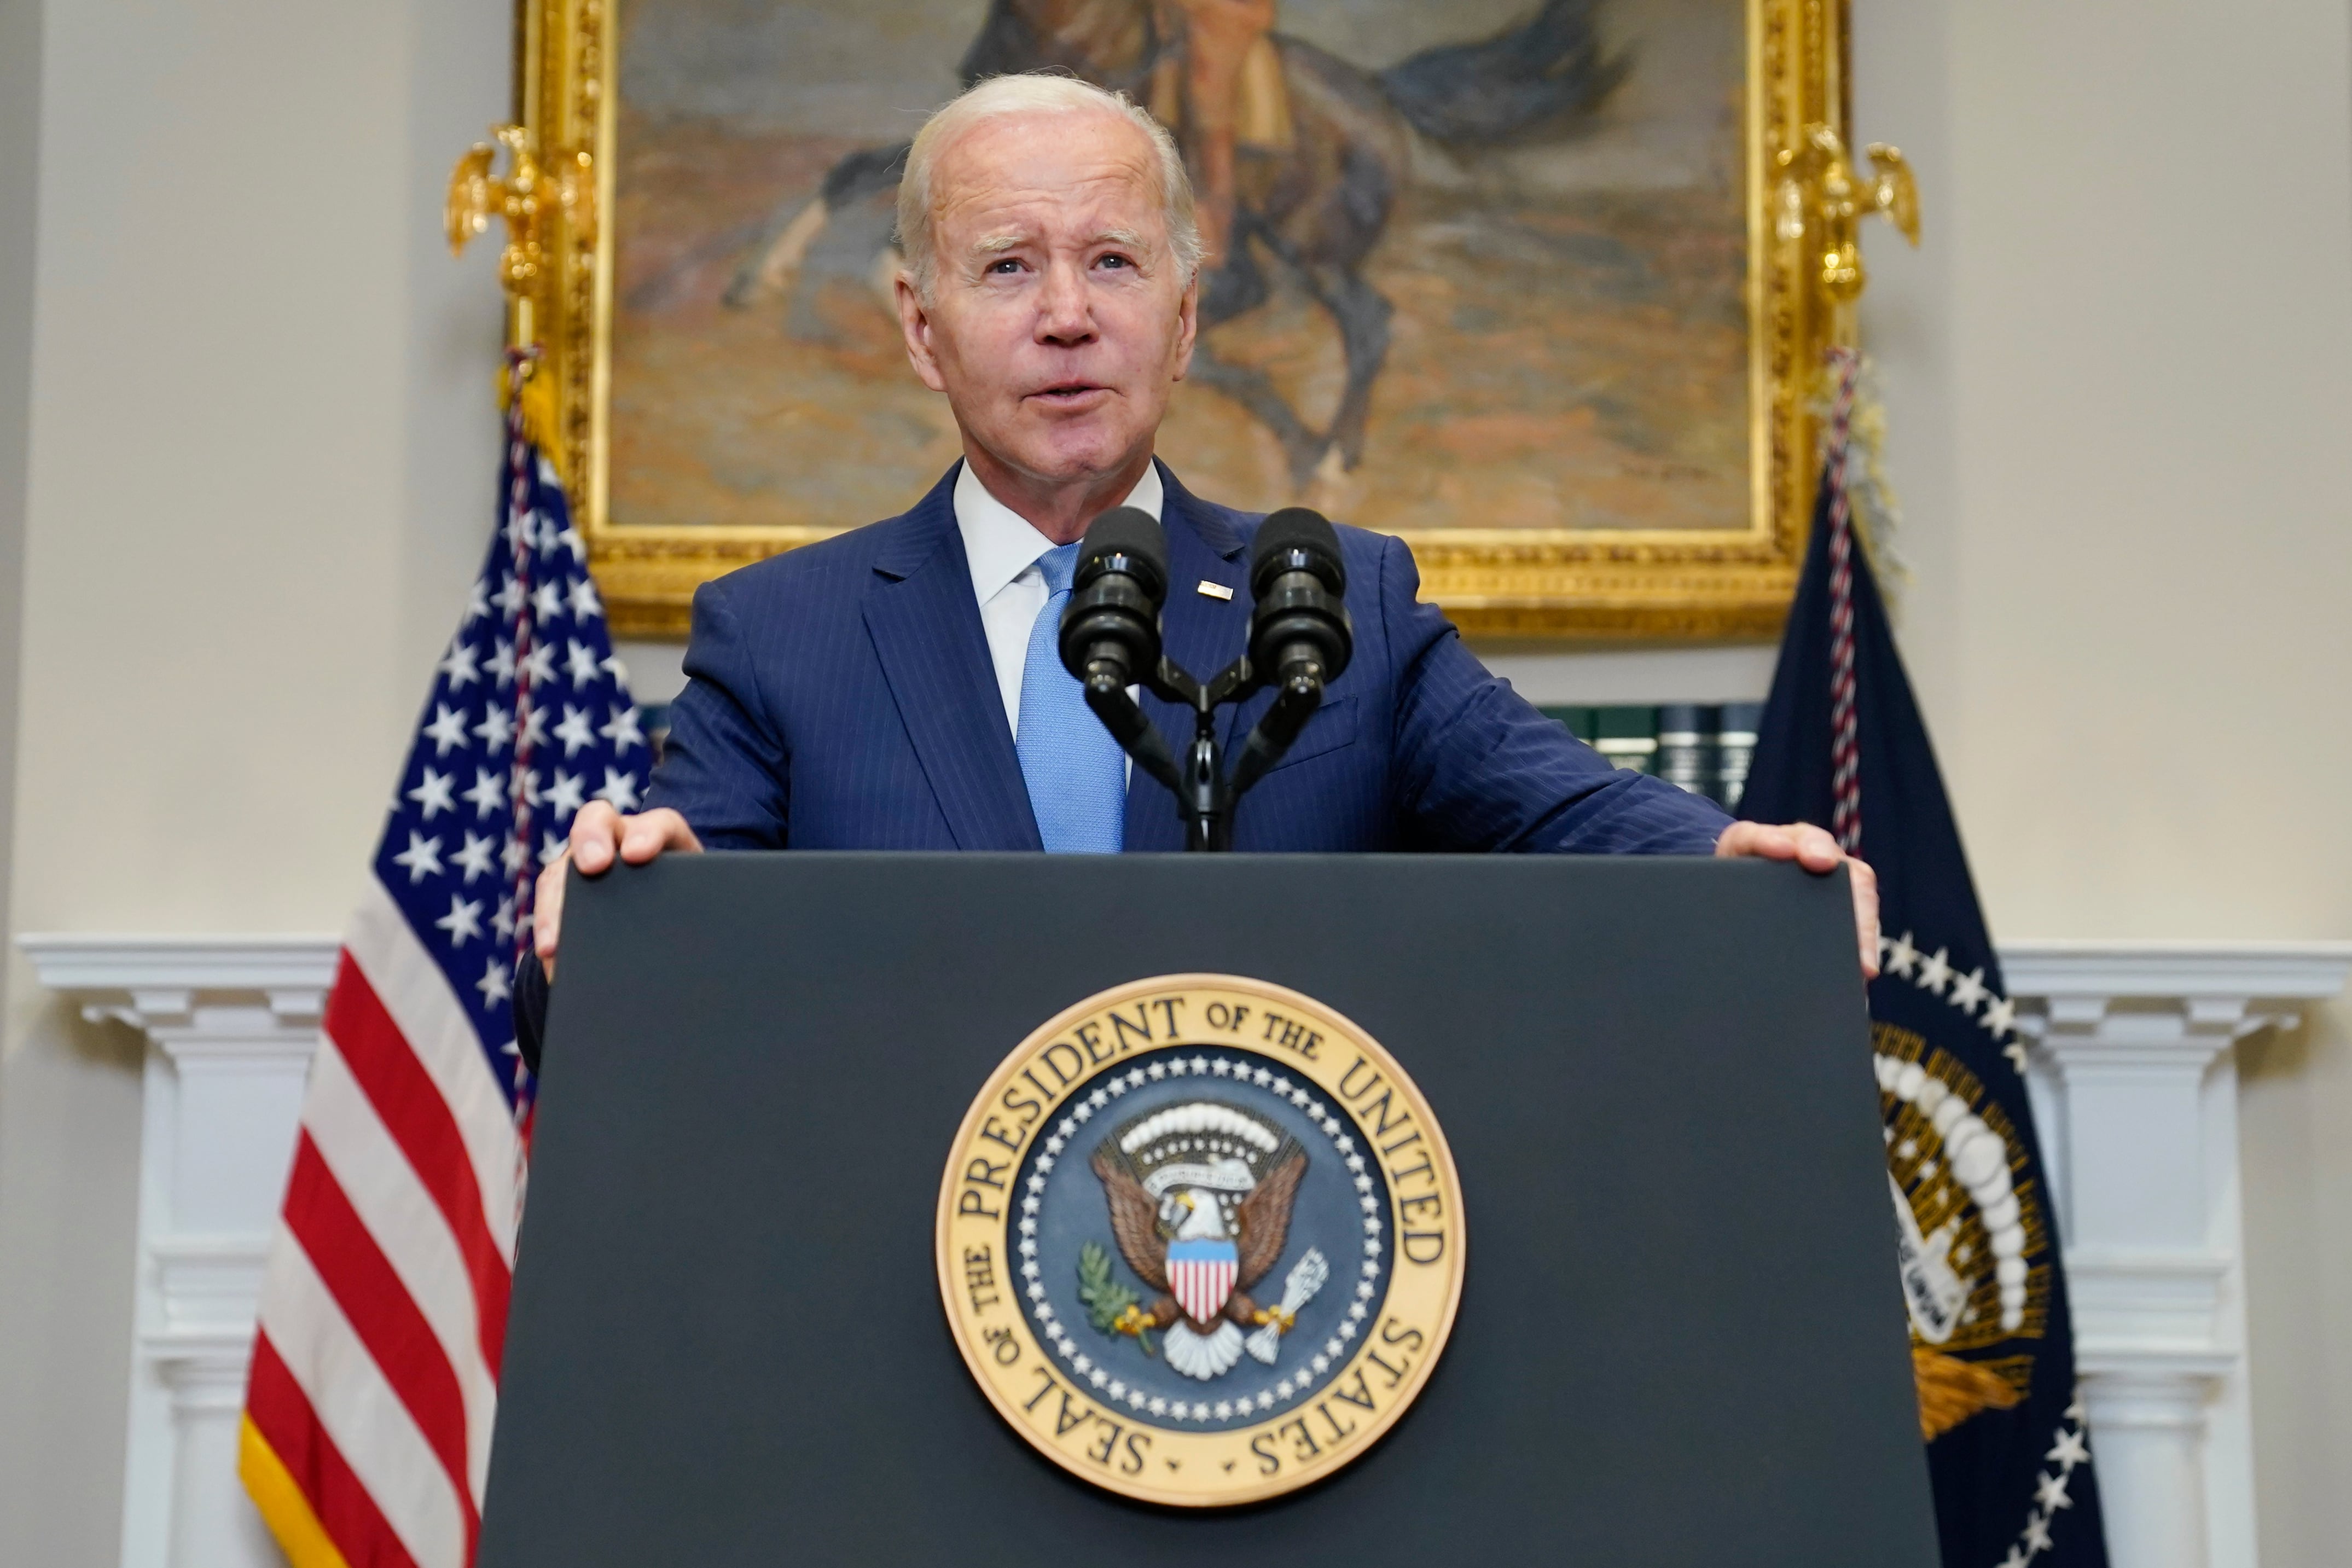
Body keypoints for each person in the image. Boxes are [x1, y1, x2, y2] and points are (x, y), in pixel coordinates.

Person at [525, 73, 1875, 1019]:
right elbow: (652, 963)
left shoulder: (1338, 602)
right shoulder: (782, 637)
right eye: (1006, 267)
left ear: (1182, 321)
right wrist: (629, 913)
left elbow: (1569, 809)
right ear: (920, 326)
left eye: (1113, 262)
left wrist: (1733, 870)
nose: (1066, 315)